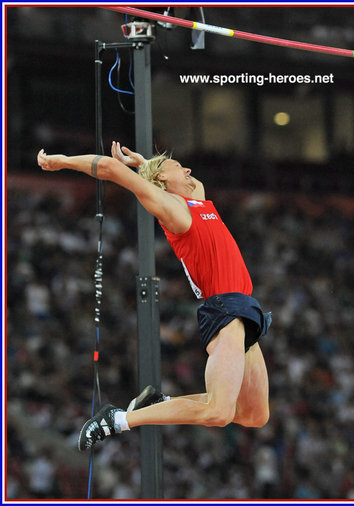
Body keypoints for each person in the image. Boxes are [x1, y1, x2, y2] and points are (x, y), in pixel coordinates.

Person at [37, 142, 272, 452]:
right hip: (225, 310)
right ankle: (117, 419)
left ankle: (156, 403)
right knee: (218, 412)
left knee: (255, 415)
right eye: (178, 167)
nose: (188, 170)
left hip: (246, 310)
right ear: (161, 181)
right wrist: (61, 160)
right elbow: (108, 168)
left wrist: (145, 162)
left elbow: (195, 183)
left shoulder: (198, 202)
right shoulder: (173, 209)